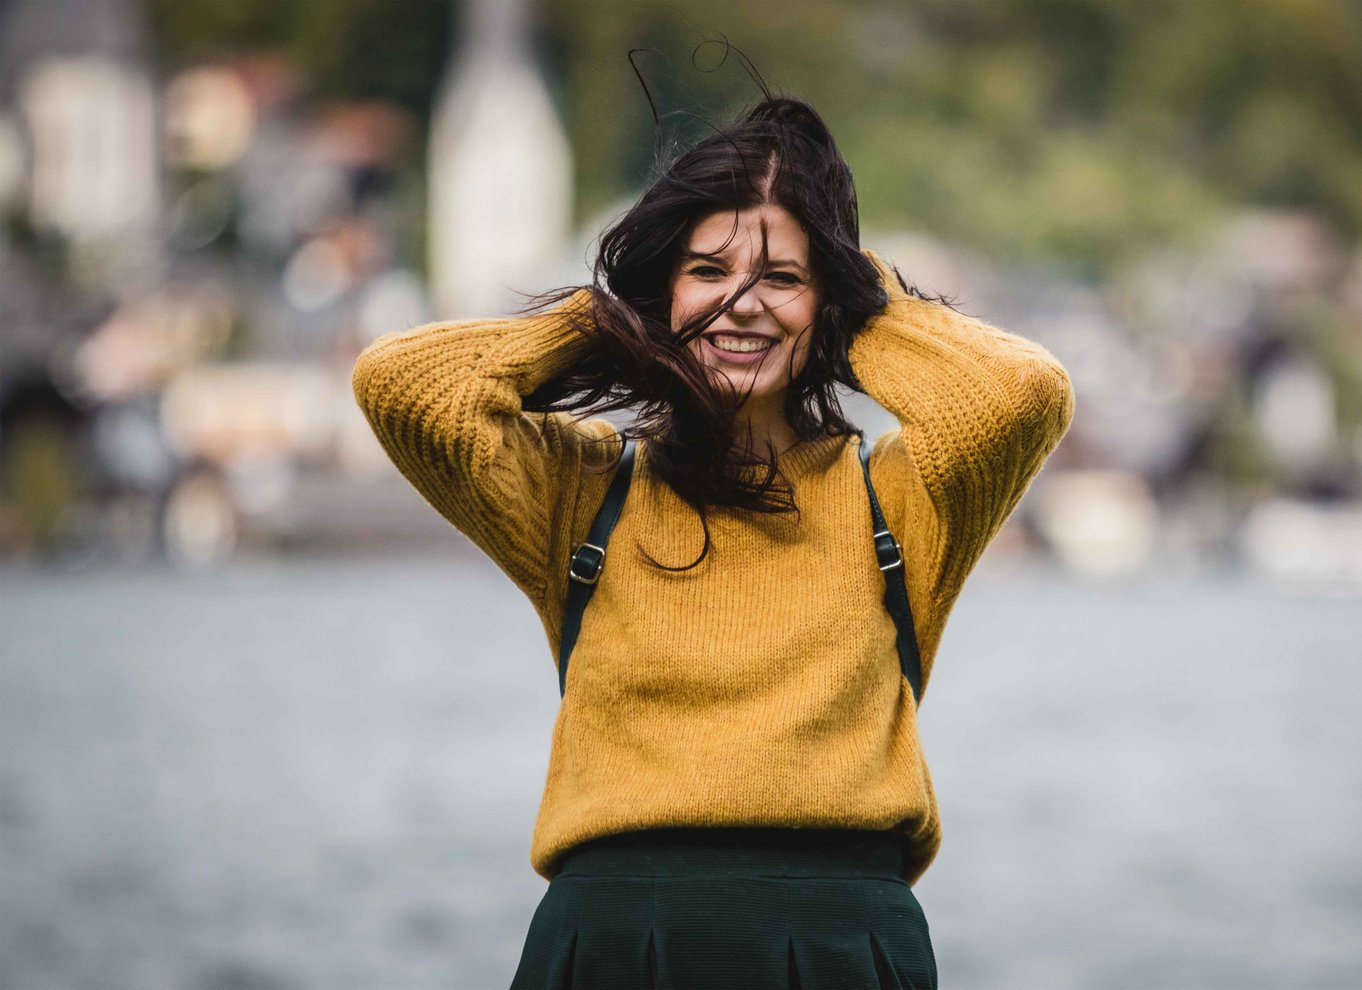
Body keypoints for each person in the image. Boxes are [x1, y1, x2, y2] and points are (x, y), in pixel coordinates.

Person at [352, 94, 1074, 989]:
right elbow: (402, 384)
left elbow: (1024, 393)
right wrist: (613, 320)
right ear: (667, 287)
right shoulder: (581, 490)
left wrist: (861, 299)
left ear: (828, 300)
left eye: (781, 277)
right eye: (707, 271)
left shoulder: (899, 497)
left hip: (843, 946)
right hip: (610, 944)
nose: (741, 304)